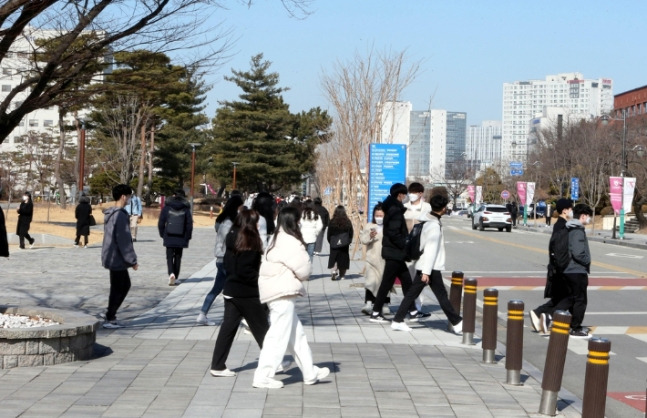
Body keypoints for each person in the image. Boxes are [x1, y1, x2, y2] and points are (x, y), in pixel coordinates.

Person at [252, 207, 330, 389]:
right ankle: (263, 375)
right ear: (293, 222)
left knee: (297, 336)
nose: (300, 223)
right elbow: (304, 269)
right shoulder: (290, 241)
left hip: (276, 291)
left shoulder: (276, 238)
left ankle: (310, 372)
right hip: (282, 293)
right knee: (277, 336)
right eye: (298, 220)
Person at [390, 192, 463, 333]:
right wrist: (426, 272)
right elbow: (430, 249)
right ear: (442, 208)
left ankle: (397, 320)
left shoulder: (427, 220)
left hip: (425, 265)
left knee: (413, 294)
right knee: (440, 296)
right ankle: (456, 322)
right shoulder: (434, 226)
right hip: (430, 267)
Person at [210, 209, 269, 377]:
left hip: (231, 289)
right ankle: (274, 361)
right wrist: (259, 281)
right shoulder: (250, 241)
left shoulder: (233, 237)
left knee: (228, 329)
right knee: (262, 328)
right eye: (256, 222)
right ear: (249, 223)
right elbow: (248, 271)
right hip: (247, 292)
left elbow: (229, 265)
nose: (258, 225)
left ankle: (218, 365)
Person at [196, 194, 244, 326]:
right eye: (241, 207)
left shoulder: (223, 220)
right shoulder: (229, 223)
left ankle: (203, 314)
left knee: (217, 288)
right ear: (236, 207)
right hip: (226, 259)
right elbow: (231, 242)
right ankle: (231, 317)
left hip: (221, 258)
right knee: (232, 289)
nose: (242, 209)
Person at [369, 183, 413, 323]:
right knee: (387, 283)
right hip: (394, 252)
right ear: (400, 195)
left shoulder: (393, 208)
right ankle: (376, 312)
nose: (406, 197)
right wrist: (404, 244)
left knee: (406, 281)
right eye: (405, 194)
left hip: (395, 252)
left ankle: (413, 310)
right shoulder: (394, 210)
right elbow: (393, 232)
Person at [529, 198, 573, 334]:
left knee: (559, 298)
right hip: (561, 270)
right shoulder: (562, 226)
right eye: (571, 209)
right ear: (565, 210)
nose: (572, 211)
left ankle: (538, 313)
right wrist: (564, 269)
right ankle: (548, 316)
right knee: (572, 297)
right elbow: (560, 251)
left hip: (557, 269)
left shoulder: (560, 225)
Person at [101, 184, 138, 329]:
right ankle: (110, 316)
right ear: (123, 196)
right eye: (129, 196)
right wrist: (132, 260)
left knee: (118, 286)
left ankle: (110, 314)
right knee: (121, 286)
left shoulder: (110, 213)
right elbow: (123, 240)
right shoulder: (120, 215)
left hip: (111, 255)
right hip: (117, 257)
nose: (129, 199)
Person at [563, 203, 593, 339]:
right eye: (588, 217)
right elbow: (578, 252)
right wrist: (587, 260)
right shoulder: (577, 231)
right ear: (583, 216)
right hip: (577, 269)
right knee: (580, 300)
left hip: (569, 270)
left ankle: (571, 324)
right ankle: (575, 327)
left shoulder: (570, 229)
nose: (589, 219)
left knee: (572, 299)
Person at [403, 182, 433, 318]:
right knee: (408, 279)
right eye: (410, 192)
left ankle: (418, 307)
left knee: (419, 279)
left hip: (422, 248)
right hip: (408, 248)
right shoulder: (404, 208)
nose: (412, 195)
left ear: (421, 193)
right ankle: (410, 307)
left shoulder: (427, 207)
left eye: (415, 192)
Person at [359, 203, 391, 316]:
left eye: (381, 215)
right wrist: (370, 236)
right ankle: (368, 303)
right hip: (371, 258)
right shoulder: (369, 226)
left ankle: (385, 304)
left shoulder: (389, 226)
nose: (379, 217)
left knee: (385, 282)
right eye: (377, 215)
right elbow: (363, 240)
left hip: (385, 259)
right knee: (371, 281)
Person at [158, 189, 193, 286]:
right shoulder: (186, 209)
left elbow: (161, 222)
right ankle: (176, 276)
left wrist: (162, 234)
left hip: (169, 234)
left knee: (169, 256)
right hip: (181, 235)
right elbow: (189, 224)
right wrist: (188, 236)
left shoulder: (167, 207)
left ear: (174, 195)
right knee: (178, 256)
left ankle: (171, 273)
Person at [326, 205, 353, 280]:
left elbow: (329, 233)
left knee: (334, 258)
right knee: (343, 258)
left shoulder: (332, 221)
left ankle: (334, 271)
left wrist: (330, 241)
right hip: (344, 244)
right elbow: (351, 232)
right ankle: (342, 275)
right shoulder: (347, 221)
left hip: (334, 243)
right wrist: (349, 241)